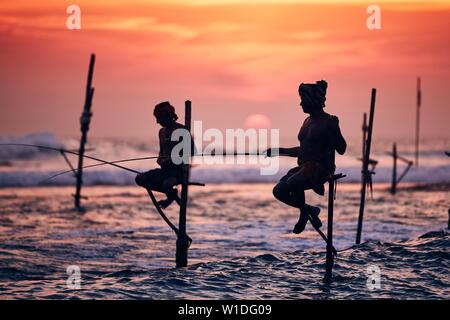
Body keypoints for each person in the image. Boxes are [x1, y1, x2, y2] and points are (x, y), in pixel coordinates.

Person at [265, 80, 347, 234]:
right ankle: (309, 209)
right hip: (304, 168)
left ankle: (303, 214)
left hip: (321, 169)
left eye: (303, 100)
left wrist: (336, 129)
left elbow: (342, 149)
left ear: (313, 101)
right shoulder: (307, 122)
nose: (300, 104)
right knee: (279, 191)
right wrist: (278, 150)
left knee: (294, 182)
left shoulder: (329, 122)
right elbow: (304, 151)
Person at [135, 101, 193, 209]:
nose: (157, 121)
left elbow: (191, 151)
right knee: (139, 178)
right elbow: (161, 153)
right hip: (165, 171)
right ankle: (172, 195)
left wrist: (176, 157)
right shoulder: (161, 132)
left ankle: (169, 197)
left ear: (167, 116)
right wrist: (161, 160)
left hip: (178, 172)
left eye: (159, 118)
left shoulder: (182, 130)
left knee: (167, 184)